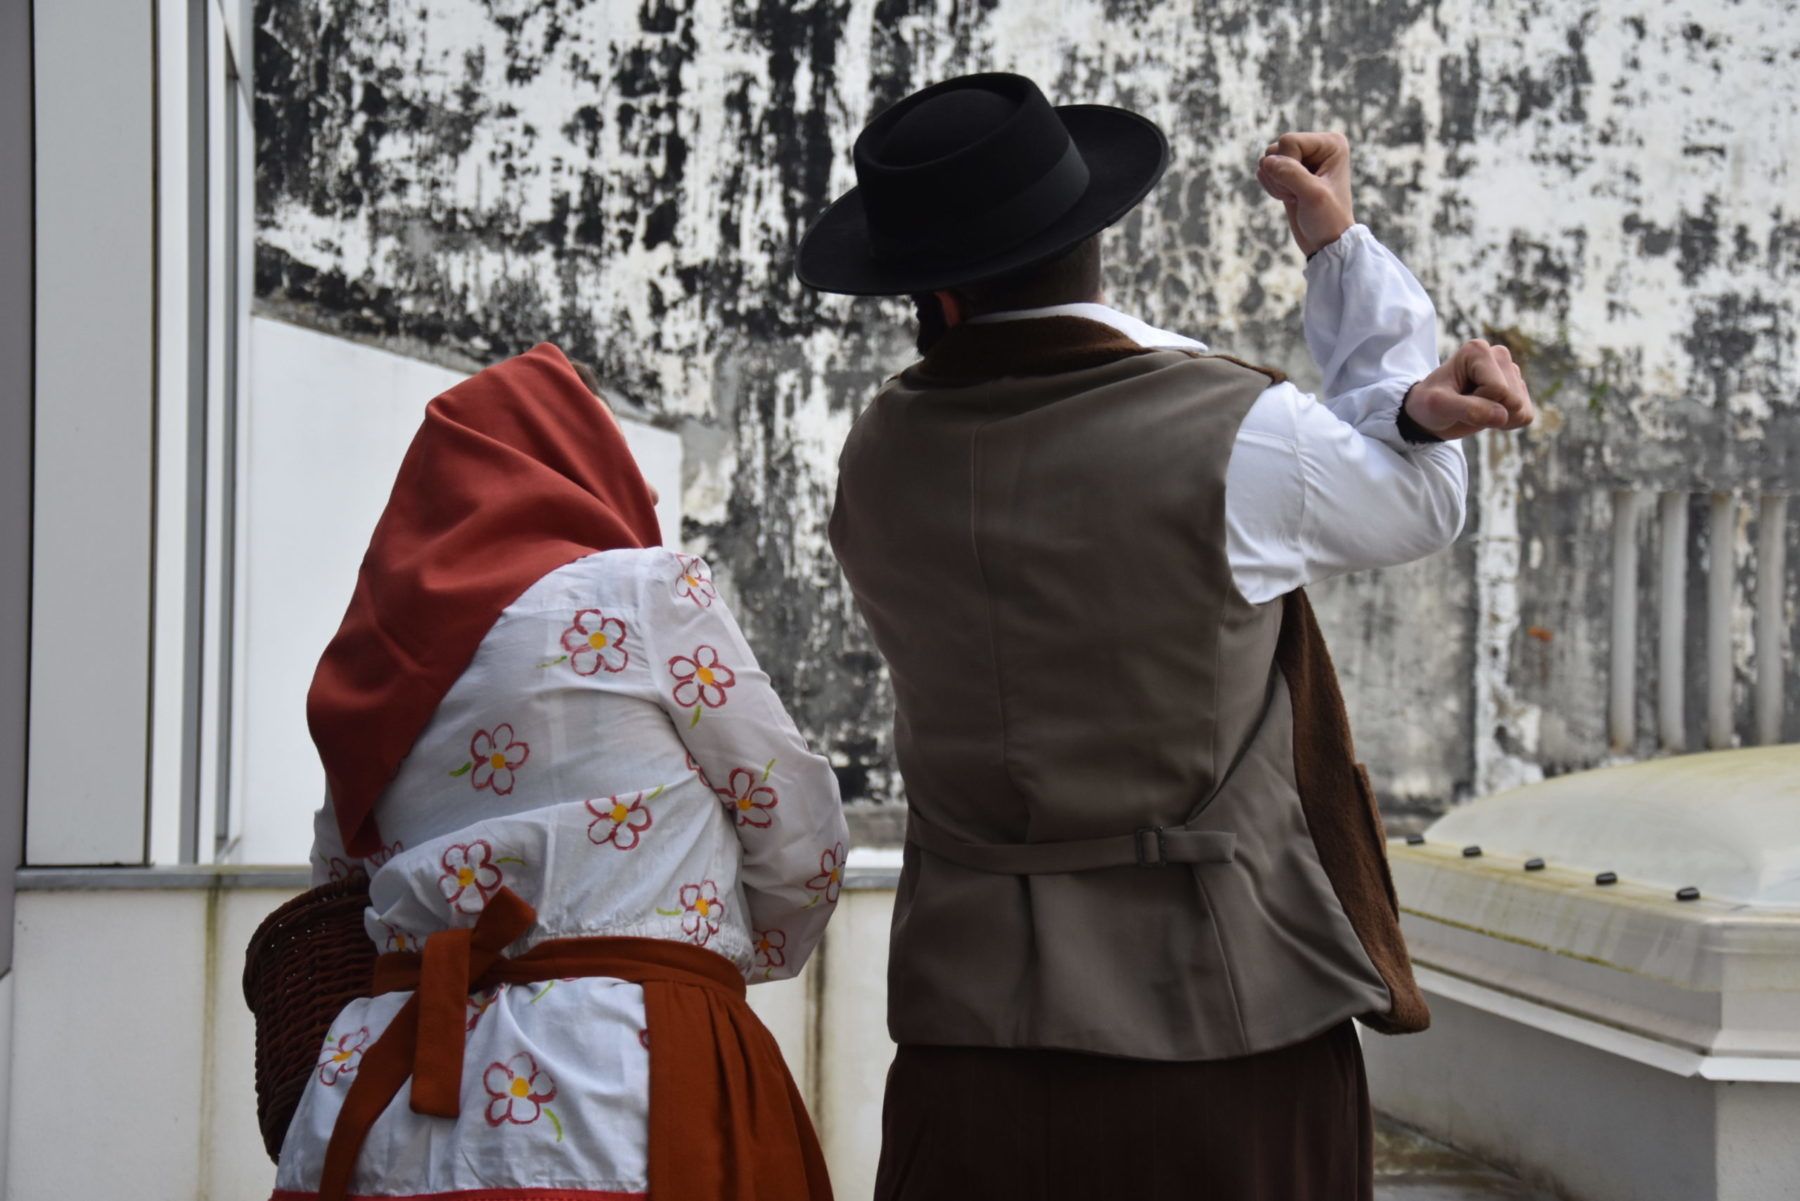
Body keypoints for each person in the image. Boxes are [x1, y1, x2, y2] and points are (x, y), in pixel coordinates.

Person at [798, 73, 1533, 1199]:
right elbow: (1410, 501)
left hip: (965, 1040)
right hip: (1223, 1027)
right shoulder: (1235, 429)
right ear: (1093, 229)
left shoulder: (876, 460)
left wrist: (1388, 412)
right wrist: (1344, 264)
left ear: (929, 294)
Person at [272, 343, 845, 1201]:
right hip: (621, 1073)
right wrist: (706, 943)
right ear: (592, 474)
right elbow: (801, 838)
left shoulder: (369, 670)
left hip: (383, 1087)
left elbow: (338, 890)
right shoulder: (642, 594)